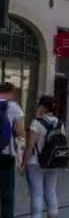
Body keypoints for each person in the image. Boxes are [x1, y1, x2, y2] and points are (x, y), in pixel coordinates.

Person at [22, 95, 64, 218]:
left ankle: (36, 216)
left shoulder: (36, 122)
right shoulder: (59, 123)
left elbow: (30, 146)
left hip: (36, 163)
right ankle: (53, 215)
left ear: (42, 107)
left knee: (37, 194)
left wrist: (24, 163)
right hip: (53, 162)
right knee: (51, 191)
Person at [0, 82, 24, 218]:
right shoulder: (14, 107)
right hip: (7, 153)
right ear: (11, 93)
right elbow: (20, 132)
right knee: (7, 191)